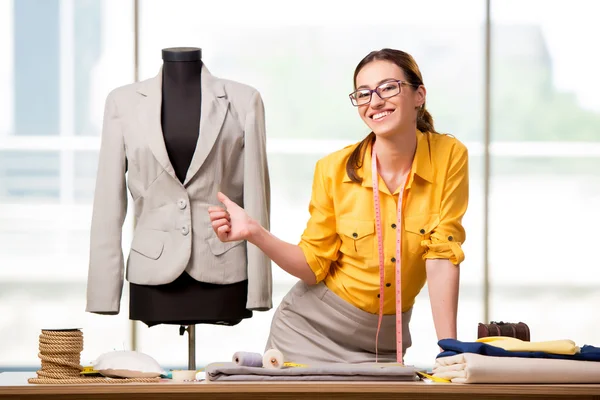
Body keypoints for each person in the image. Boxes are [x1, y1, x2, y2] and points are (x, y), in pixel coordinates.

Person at [208, 48, 469, 364]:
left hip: (385, 341)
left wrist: (449, 350)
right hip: (309, 330)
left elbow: (442, 254)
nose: (374, 101)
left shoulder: (449, 156)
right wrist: (254, 232)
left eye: (388, 87)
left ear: (418, 95)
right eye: (363, 94)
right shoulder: (333, 170)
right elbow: (312, 265)